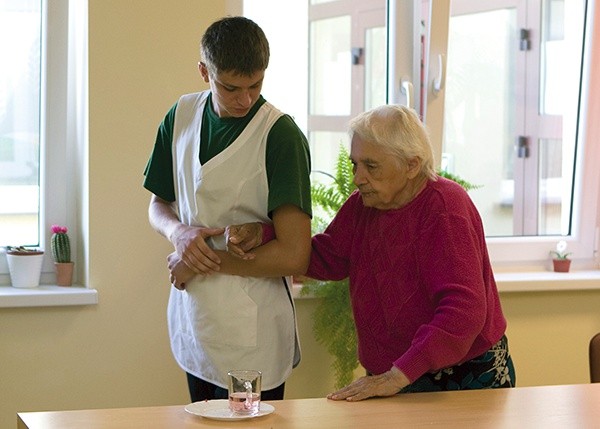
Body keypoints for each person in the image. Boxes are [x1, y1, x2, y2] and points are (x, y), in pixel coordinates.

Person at [224, 104, 516, 401]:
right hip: (393, 374)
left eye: (371, 166)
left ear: (412, 165)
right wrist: (266, 234)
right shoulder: (363, 205)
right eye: (354, 164)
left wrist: (397, 376)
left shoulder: (444, 207)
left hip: (459, 375)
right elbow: (327, 258)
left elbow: (463, 312)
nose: (357, 177)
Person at [143, 16, 312, 403]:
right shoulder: (180, 117)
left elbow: (294, 253)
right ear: (204, 71)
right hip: (196, 320)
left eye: (256, 85)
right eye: (230, 87)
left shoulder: (281, 136)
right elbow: (158, 204)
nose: (245, 99)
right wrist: (178, 234)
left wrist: (196, 260)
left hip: (252, 337)